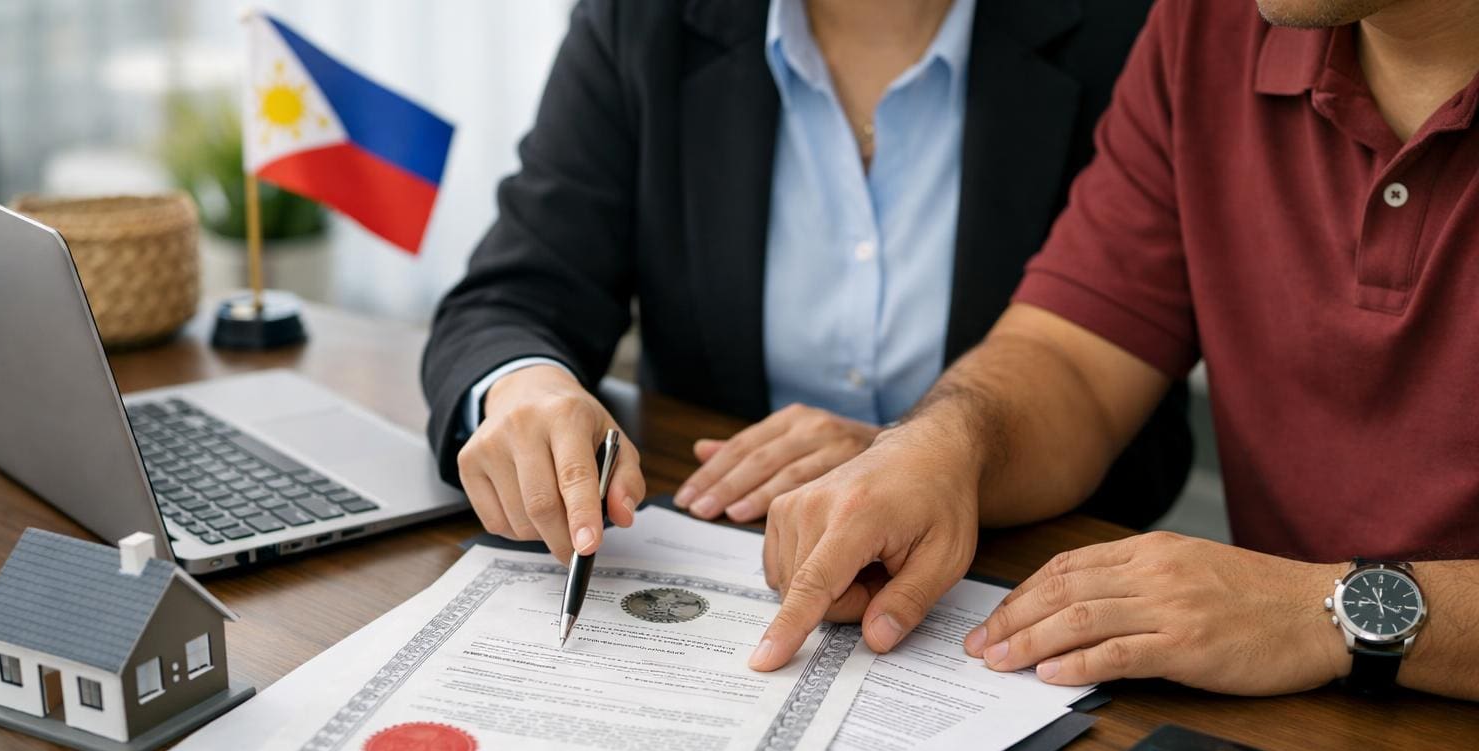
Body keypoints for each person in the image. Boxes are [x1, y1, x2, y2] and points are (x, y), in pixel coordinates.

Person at [749, 0, 1479, 703]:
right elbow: (1076, 358)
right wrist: (942, 450)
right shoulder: (1209, 22)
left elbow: (1303, 616)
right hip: (1299, 718)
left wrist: (1327, 610)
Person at [421, 0, 1194, 565]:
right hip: (719, 562)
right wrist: (523, 389)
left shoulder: (1133, 33)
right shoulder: (644, 20)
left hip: (1014, 583)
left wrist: (923, 455)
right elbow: (514, 293)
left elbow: (1126, 409)